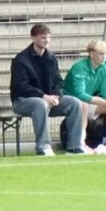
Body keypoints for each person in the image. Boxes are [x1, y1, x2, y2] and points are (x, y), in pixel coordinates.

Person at [10, 23, 84, 156]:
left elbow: (58, 81)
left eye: (49, 37)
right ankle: (43, 147)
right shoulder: (20, 60)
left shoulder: (51, 58)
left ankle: (74, 146)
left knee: (75, 103)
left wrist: (56, 96)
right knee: (40, 103)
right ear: (33, 38)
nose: (47, 40)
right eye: (43, 37)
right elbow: (21, 86)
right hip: (23, 101)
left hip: (49, 100)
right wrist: (43, 96)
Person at [63, 39, 106, 153]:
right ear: (91, 54)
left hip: (88, 100)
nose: (104, 57)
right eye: (101, 54)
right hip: (70, 101)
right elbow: (79, 94)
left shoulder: (104, 69)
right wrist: (103, 102)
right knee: (84, 105)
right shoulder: (79, 67)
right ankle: (80, 143)